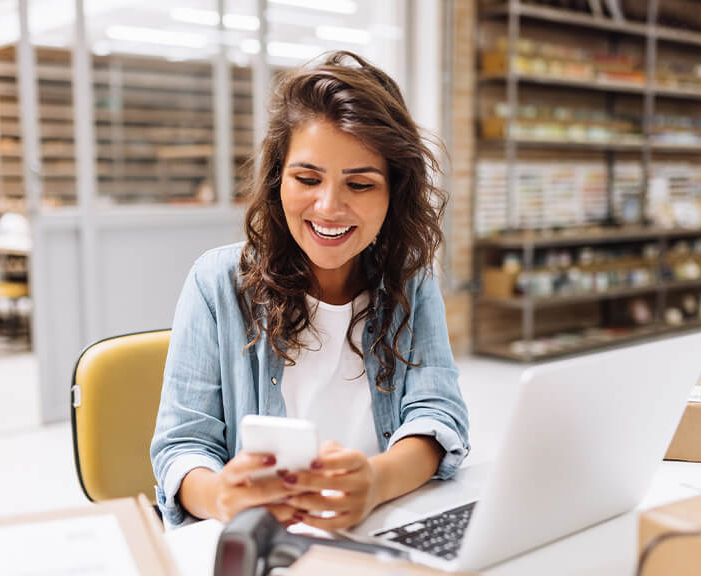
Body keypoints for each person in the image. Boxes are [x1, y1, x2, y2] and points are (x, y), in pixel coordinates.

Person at [151, 50, 469, 530]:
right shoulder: (217, 282)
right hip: (266, 542)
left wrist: (377, 483)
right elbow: (182, 447)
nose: (329, 206)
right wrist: (222, 496)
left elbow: (437, 414)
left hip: (379, 529)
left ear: (393, 194)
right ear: (278, 180)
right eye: (307, 178)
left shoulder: (409, 281)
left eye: (360, 184)